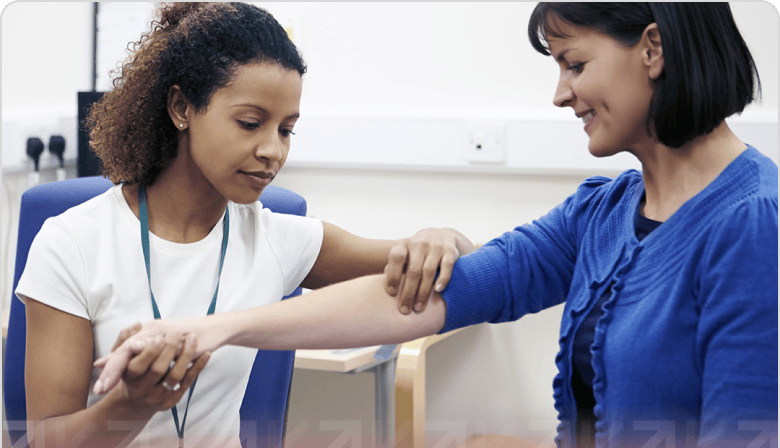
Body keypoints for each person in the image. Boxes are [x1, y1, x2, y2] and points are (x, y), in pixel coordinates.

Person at [96, 3, 778, 448]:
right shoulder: (601, 213)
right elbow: (416, 299)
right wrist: (211, 330)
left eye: (574, 64)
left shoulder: (752, 224)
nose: (561, 93)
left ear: (653, 49)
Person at [15, 3, 475, 448]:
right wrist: (132, 405)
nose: (273, 150)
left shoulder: (277, 240)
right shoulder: (72, 243)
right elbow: (48, 438)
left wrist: (440, 237)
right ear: (181, 108)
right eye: (251, 123)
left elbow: (457, 265)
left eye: (286, 130)